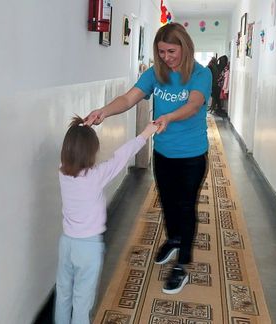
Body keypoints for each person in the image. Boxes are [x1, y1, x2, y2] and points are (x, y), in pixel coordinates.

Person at [84, 22, 212, 295]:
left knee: (186, 205)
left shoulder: (201, 74)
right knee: (167, 200)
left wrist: (169, 116)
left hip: (191, 154)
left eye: (171, 51)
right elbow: (129, 98)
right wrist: (103, 112)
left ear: (185, 48)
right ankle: (174, 238)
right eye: (161, 52)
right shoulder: (156, 73)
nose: (166, 57)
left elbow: (193, 105)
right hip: (163, 151)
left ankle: (183, 264)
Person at [55, 116, 158, 324]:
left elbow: (74, 149)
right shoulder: (95, 176)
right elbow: (122, 157)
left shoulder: (62, 172)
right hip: (89, 248)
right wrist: (146, 133)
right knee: (82, 301)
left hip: (66, 243)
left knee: (63, 294)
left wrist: (81, 130)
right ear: (91, 153)